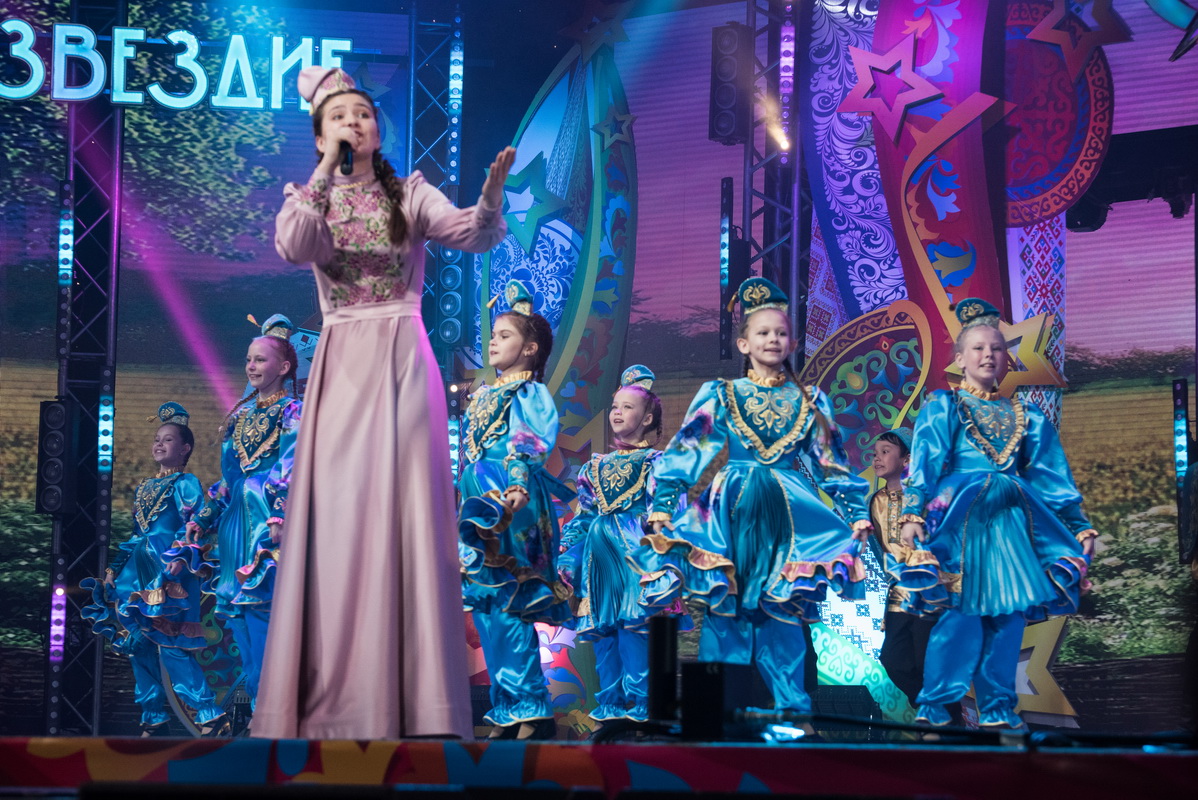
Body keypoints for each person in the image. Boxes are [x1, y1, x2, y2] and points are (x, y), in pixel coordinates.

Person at [254, 66, 513, 740]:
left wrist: (489, 200)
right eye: (340, 117)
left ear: (378, 128)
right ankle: (333, 700)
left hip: (403, 357)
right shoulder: (309, 200)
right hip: (342, 362)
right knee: (341, 519)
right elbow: (293, 244)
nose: (355, 123)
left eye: (364, 114)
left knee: (409, 516)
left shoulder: (410, 193)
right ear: (320, 136)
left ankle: (417, 703)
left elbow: (472, 233)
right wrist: (323, 173)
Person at [631, 277, 873, 721]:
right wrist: (663, 505)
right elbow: (688, 450)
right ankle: (712, 715)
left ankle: (792, 714)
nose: (773, 339)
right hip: (730, 512)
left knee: (781, 611)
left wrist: (856, 512)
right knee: (725, 610)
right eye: (763, 332)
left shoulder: (810, 400)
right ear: (744, 343)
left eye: (781, 333)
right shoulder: (722, 394)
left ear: (793, 343)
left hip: (787, 514)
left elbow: (832, 463)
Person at [899, 297, 1095, 730]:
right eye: (978, 348)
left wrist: (1079, 525)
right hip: (961, 523)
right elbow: (926, 463)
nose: (988, 355)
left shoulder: (1027, 416)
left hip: (1011, 525)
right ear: (960, 359)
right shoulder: (944, 406)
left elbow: (1050, 477)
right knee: (962, 614)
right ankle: (935, 706)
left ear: (1007, 359)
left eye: (997, 348)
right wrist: (912, 513)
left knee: (1007, 617)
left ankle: (998, 709)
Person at [458, 280, 572, 740]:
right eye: (493, 335)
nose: (493, 342)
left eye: (504, 335)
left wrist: (520, 480)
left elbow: (530, 437)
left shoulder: (527, 392)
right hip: (479, 496)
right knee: (487, 607)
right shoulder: (485, 394)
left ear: (529, 349)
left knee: (509, 604)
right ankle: (508, 706)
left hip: (510, 495)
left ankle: (532, 707)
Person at [81, 403, 227, 736]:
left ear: (185, 448)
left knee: (170, 643)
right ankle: (153, 717)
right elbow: (137, 535)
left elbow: (196, 523)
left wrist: (182, 556)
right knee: (139, 644)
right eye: (157, 439)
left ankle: (209, 713)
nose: (159, 444)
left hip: (171, 571)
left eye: (168, 439)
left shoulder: (186, 482)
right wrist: (114, 570)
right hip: (138, 573)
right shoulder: (144, 487)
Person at [187, 315, 301, 725]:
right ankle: (258, 710)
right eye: (249, 359)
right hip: (237, 525)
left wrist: (280, 511)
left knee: (265, 617)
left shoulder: (293, 411)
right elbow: (229, 479)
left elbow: (291, 465)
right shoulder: (239, 417)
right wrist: (204, 518)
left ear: (283, 367)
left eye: (260, 359)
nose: (251, 366)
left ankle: (277, 713)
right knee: (239, 621)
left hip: (269, 525)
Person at [558, 365, 686, 726]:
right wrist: (568, 555)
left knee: (635, 632)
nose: (617, 412)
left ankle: (641, 708)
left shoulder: (657, 463)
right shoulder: (594, 467)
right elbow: (585, 517)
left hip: (635, 559)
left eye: (627, 407)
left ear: (647, 418)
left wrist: (663, 560)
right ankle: (611, 708)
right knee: (605, 636)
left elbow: (667, 513)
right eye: (615, 406)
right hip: (600, 563)